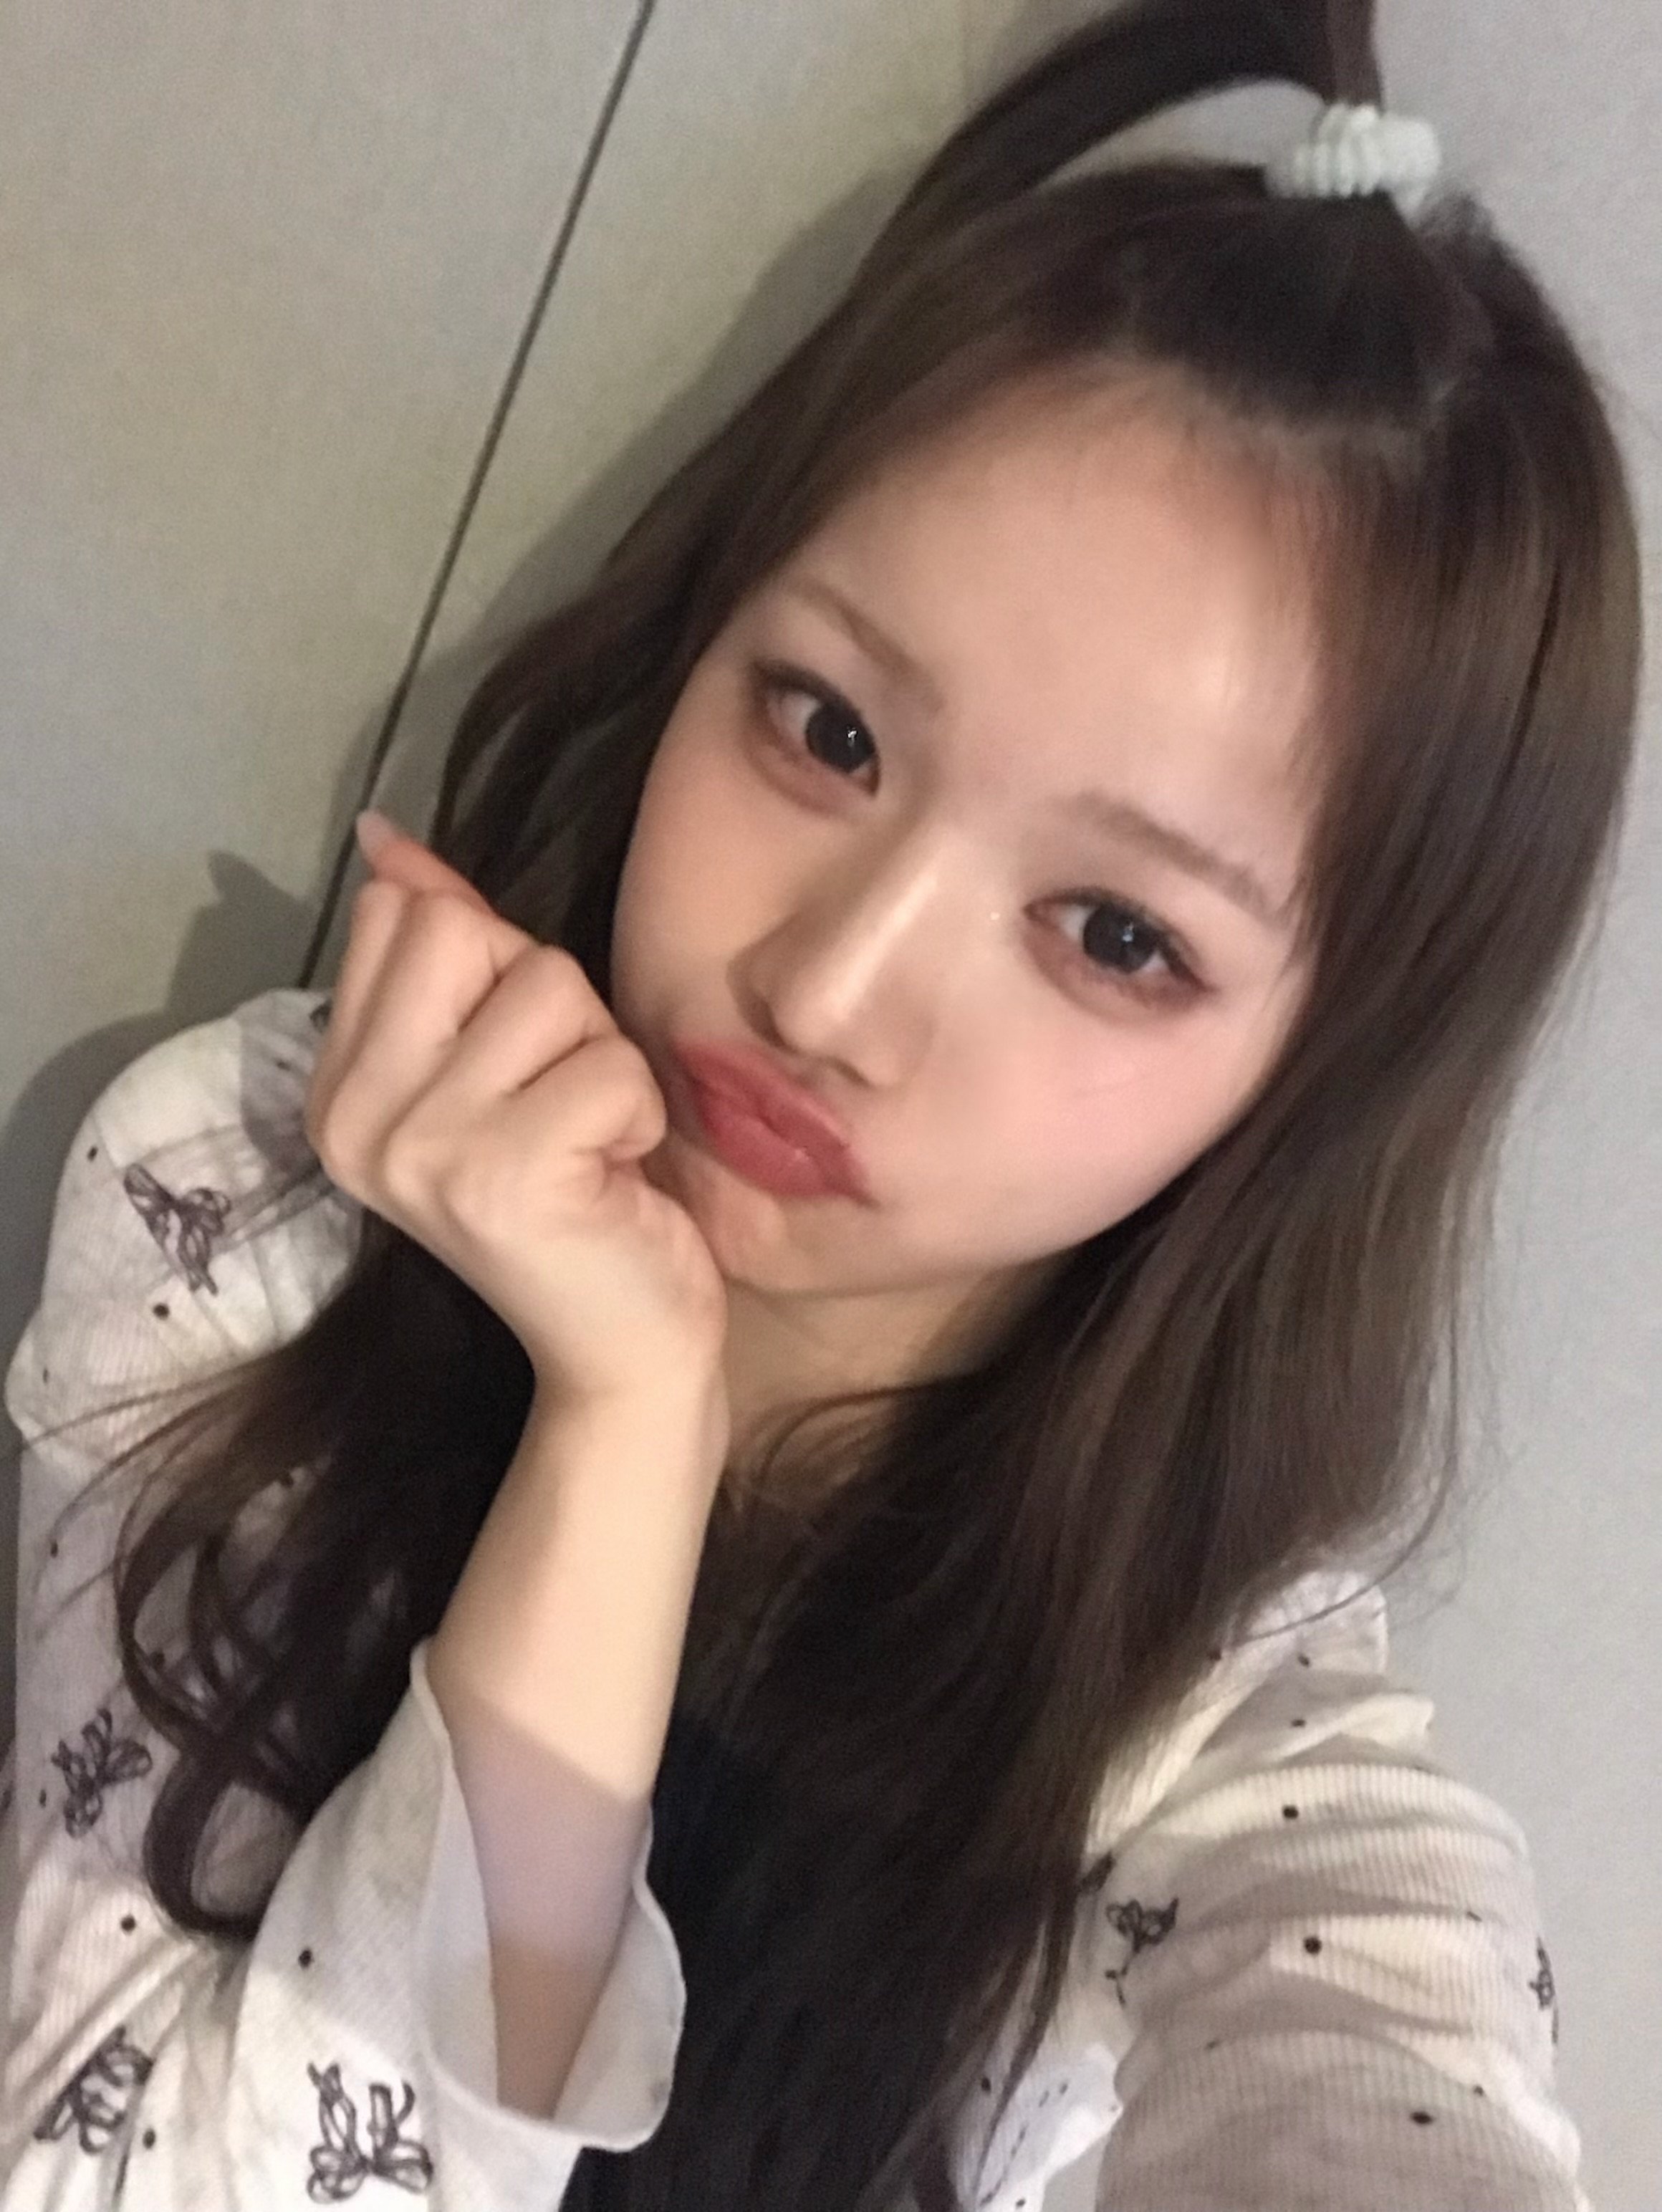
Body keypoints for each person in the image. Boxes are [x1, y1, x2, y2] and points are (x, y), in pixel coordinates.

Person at [0, 0, 1640, 2205]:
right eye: (829, 732)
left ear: (1324, 1066)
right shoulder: (266, 1198)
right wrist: (625, 1433)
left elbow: (1391, 2091)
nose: (827, 989)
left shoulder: (1221, 1736)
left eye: (1117, 933)